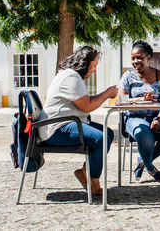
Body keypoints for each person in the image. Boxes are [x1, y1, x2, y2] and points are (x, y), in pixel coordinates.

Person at [38, 46, 118, 196]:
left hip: (66, 122)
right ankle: (93, 181)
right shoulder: (71, 77)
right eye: (94, 65)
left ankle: (86, 172)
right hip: (56, 128)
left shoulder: (72, 76)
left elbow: (85, 102)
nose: (94, 70)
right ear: (84, 63)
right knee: (101, 139)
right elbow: (87, 106)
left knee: (108, 133)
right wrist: (107, 93)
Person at [118, 40, 160, 182]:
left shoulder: (159, 75)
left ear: (149, 57)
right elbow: (120, 100)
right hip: (134, 117)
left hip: (155, 115)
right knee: (144, 134)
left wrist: (159, 118)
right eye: (133, 58)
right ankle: (151, 168)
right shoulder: (128, 76)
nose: (135, 61)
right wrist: (141, 100)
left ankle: (142, 162)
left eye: (139, 57)